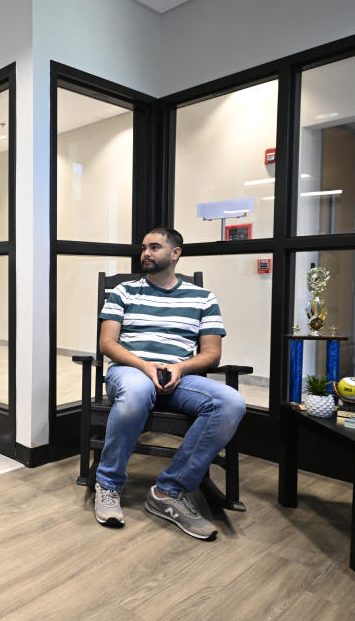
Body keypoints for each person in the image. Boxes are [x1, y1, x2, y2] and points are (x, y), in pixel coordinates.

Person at [93, 227, 245, 541]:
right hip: (131, 371)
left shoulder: (203, 298)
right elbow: (107, 344)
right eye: (144, 248)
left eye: (155, 247)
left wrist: (179, 367)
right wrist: (145, 366)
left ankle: (168, 492)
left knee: (231, 402)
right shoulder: (125, 291)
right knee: (137, 390)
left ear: (176, 253)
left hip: (179, 378)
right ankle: (107, 485)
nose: (145, 253)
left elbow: (212, 353)